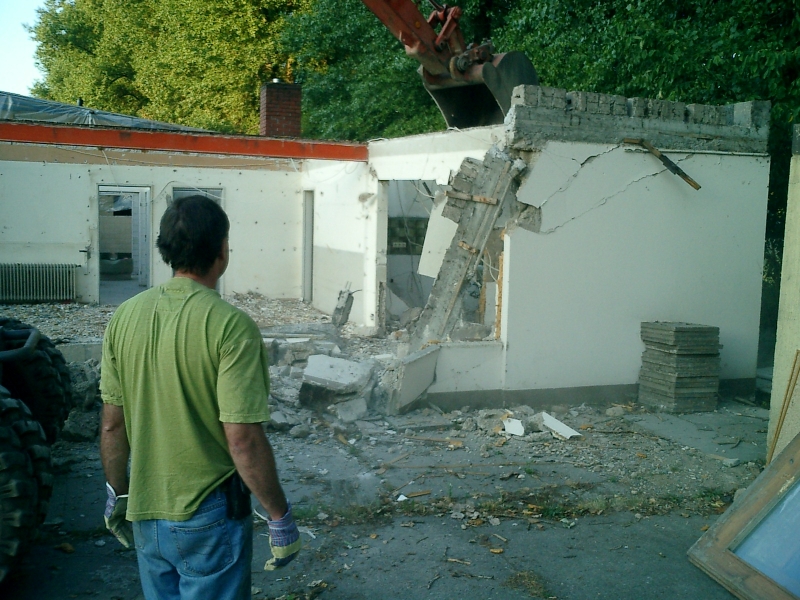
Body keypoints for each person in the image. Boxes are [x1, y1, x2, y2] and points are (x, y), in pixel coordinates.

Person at [99, 195, 300, 600]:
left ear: (164, 250)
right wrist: (279, 515)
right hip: (208, 516)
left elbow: (111, 423)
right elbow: (242, 439)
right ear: (222, 251)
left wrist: (115, 493)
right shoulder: (231, 326)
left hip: (145, 512)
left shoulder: (124, 316)